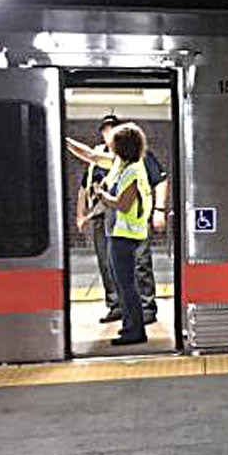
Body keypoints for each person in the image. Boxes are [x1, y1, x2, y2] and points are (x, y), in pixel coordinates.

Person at [68, 118, 169, 325]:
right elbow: (90, 156)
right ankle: (122, 308)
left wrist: (159, 210)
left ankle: (145, 308)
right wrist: (67, 141)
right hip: (112, 221)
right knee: (112, 266)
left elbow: (125, 202)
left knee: (139, 263)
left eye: (114, 134)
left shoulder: (135, 164)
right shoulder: (117, 162)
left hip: (132, 223)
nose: (109, 138)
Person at [90, 122, 152, 346]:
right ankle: (129, 327)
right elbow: (91, 156)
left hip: (125, 235)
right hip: (120, 233)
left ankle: (135, 331)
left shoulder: (132, 171)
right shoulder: (126, 167)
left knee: (126, 285)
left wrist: (101, 193)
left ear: (122, 146)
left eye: (114, 142)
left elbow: (123, 204)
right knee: (122, 283)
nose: (111, 146)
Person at [75, 115, 122, 323]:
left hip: (121, 215)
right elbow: (84, 189)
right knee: (105, 262)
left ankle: (131, 304)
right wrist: (81, 214)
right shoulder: (97, 156)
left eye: (112, 129)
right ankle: (115, 305)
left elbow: (89, 155)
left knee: (123, 261)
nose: (108, 134)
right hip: (99, 215)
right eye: (105, 130)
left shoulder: (125, 154)